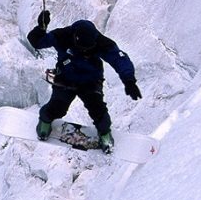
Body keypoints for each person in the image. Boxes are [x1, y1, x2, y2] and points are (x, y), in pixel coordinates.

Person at [27, 10, 142, 153]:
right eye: (82, 47)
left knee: (98, 109)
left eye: (88, 48)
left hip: (90, 81)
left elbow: (119, 59)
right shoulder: (62, 36)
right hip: (66, 79)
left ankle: (104, 133)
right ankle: (45, 121)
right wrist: (41, 28)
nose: (85, 51)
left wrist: (129, 80)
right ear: (75, 37)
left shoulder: (101, 42)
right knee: (57, 107)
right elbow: (37, 42)